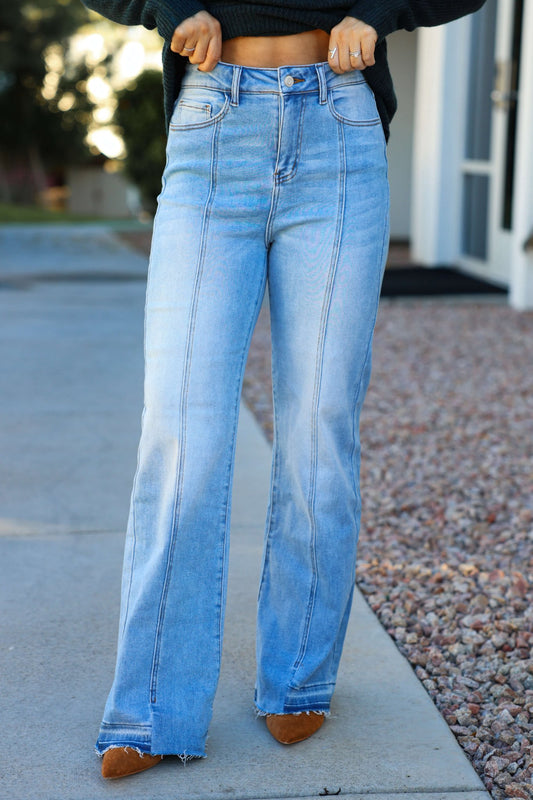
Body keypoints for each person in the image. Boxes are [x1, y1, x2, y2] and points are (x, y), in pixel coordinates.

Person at [80, 0, 486, 780]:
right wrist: (169, 7)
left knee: (320, 422)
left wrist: (380, 11)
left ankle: (298, 675)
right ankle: (152, 706)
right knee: (181, 429)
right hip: (212, 125)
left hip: (339, 127)